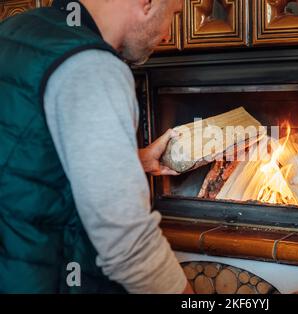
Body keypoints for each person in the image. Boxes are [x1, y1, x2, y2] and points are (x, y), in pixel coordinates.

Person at [0, 0, 193, 294]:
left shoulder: (15, 32)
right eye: (173, 15)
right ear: (148, 4)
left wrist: (134, 161)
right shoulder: (92, 66)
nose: (167, 34)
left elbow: (25, 156)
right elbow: (127, 242)